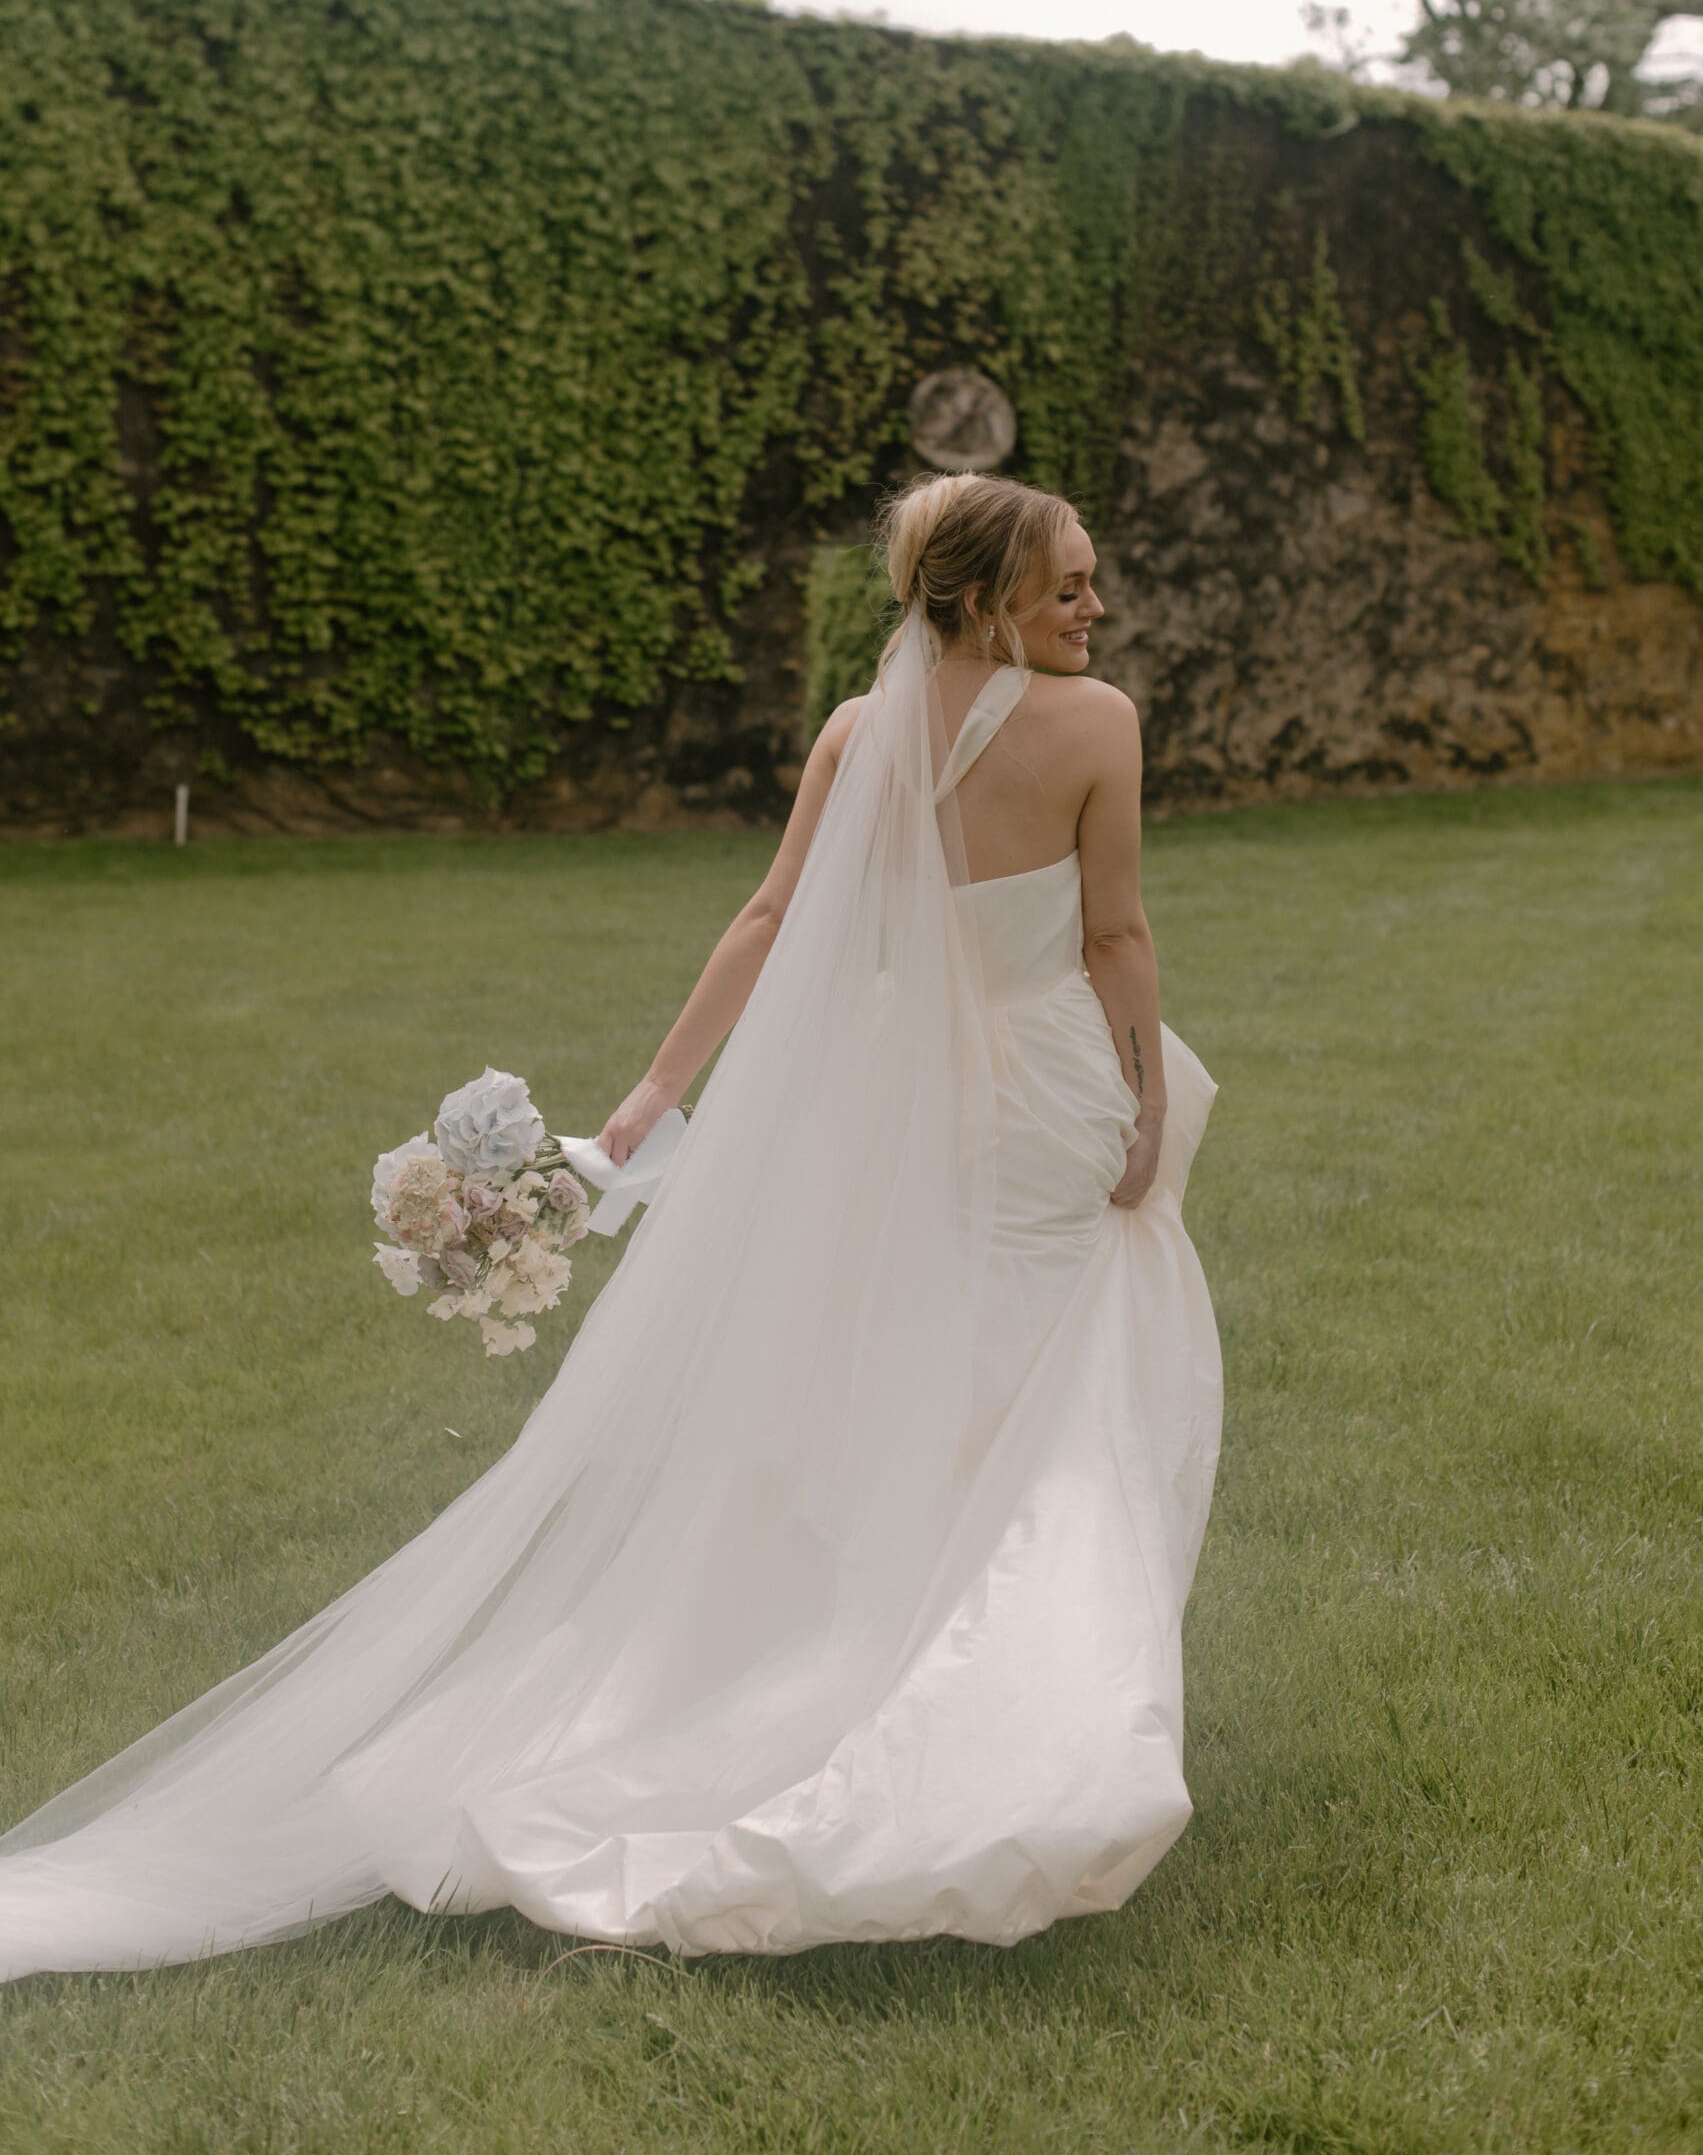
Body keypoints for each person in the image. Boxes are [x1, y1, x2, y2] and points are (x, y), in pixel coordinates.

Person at [0, 470, 1221, 1979]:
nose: (1095, 608)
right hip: (1038, 1100)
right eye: (1068, 588)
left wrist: (658, 1087)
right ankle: (1012, 1719)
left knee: (913, 1371)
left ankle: (879, 1658)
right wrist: (1144, 1098)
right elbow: (1112, 934)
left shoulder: (860, 731)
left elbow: (772, 918)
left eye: (1093, 581)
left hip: (894, 1107)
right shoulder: (1098, 729)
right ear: (982, 600)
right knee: (1047, 1386)